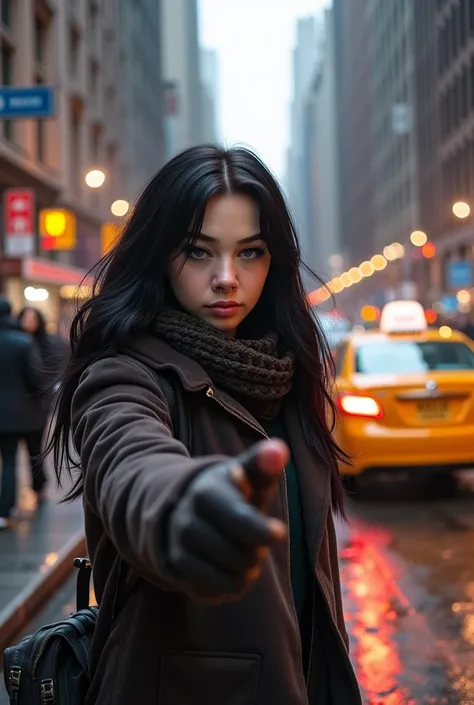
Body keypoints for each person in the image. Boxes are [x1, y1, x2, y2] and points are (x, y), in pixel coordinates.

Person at [50, 145, 362, 704]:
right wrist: (186, 507)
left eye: (250, 253)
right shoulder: (125, 376)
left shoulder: (285, 377)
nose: (226, 278)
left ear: (275, 262)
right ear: (159, 254)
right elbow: (134, 463)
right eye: (198, 251)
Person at [0, 297, 46, 529]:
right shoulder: (23, 341)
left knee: (8, 461)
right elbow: (36, 377)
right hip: (27, 413)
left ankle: (5, 511)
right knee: (33, 453)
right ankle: (38, 489)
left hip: (2, 418)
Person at [17, 306, 68, 498]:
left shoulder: (47, 343)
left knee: (35, 446)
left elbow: (52, 368)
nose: (29, 322)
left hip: (37, 404)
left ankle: (39, 484)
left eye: (32, 318)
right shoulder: (17, 342)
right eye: (26, 318)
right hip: (20, 402)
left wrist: (49, 389)